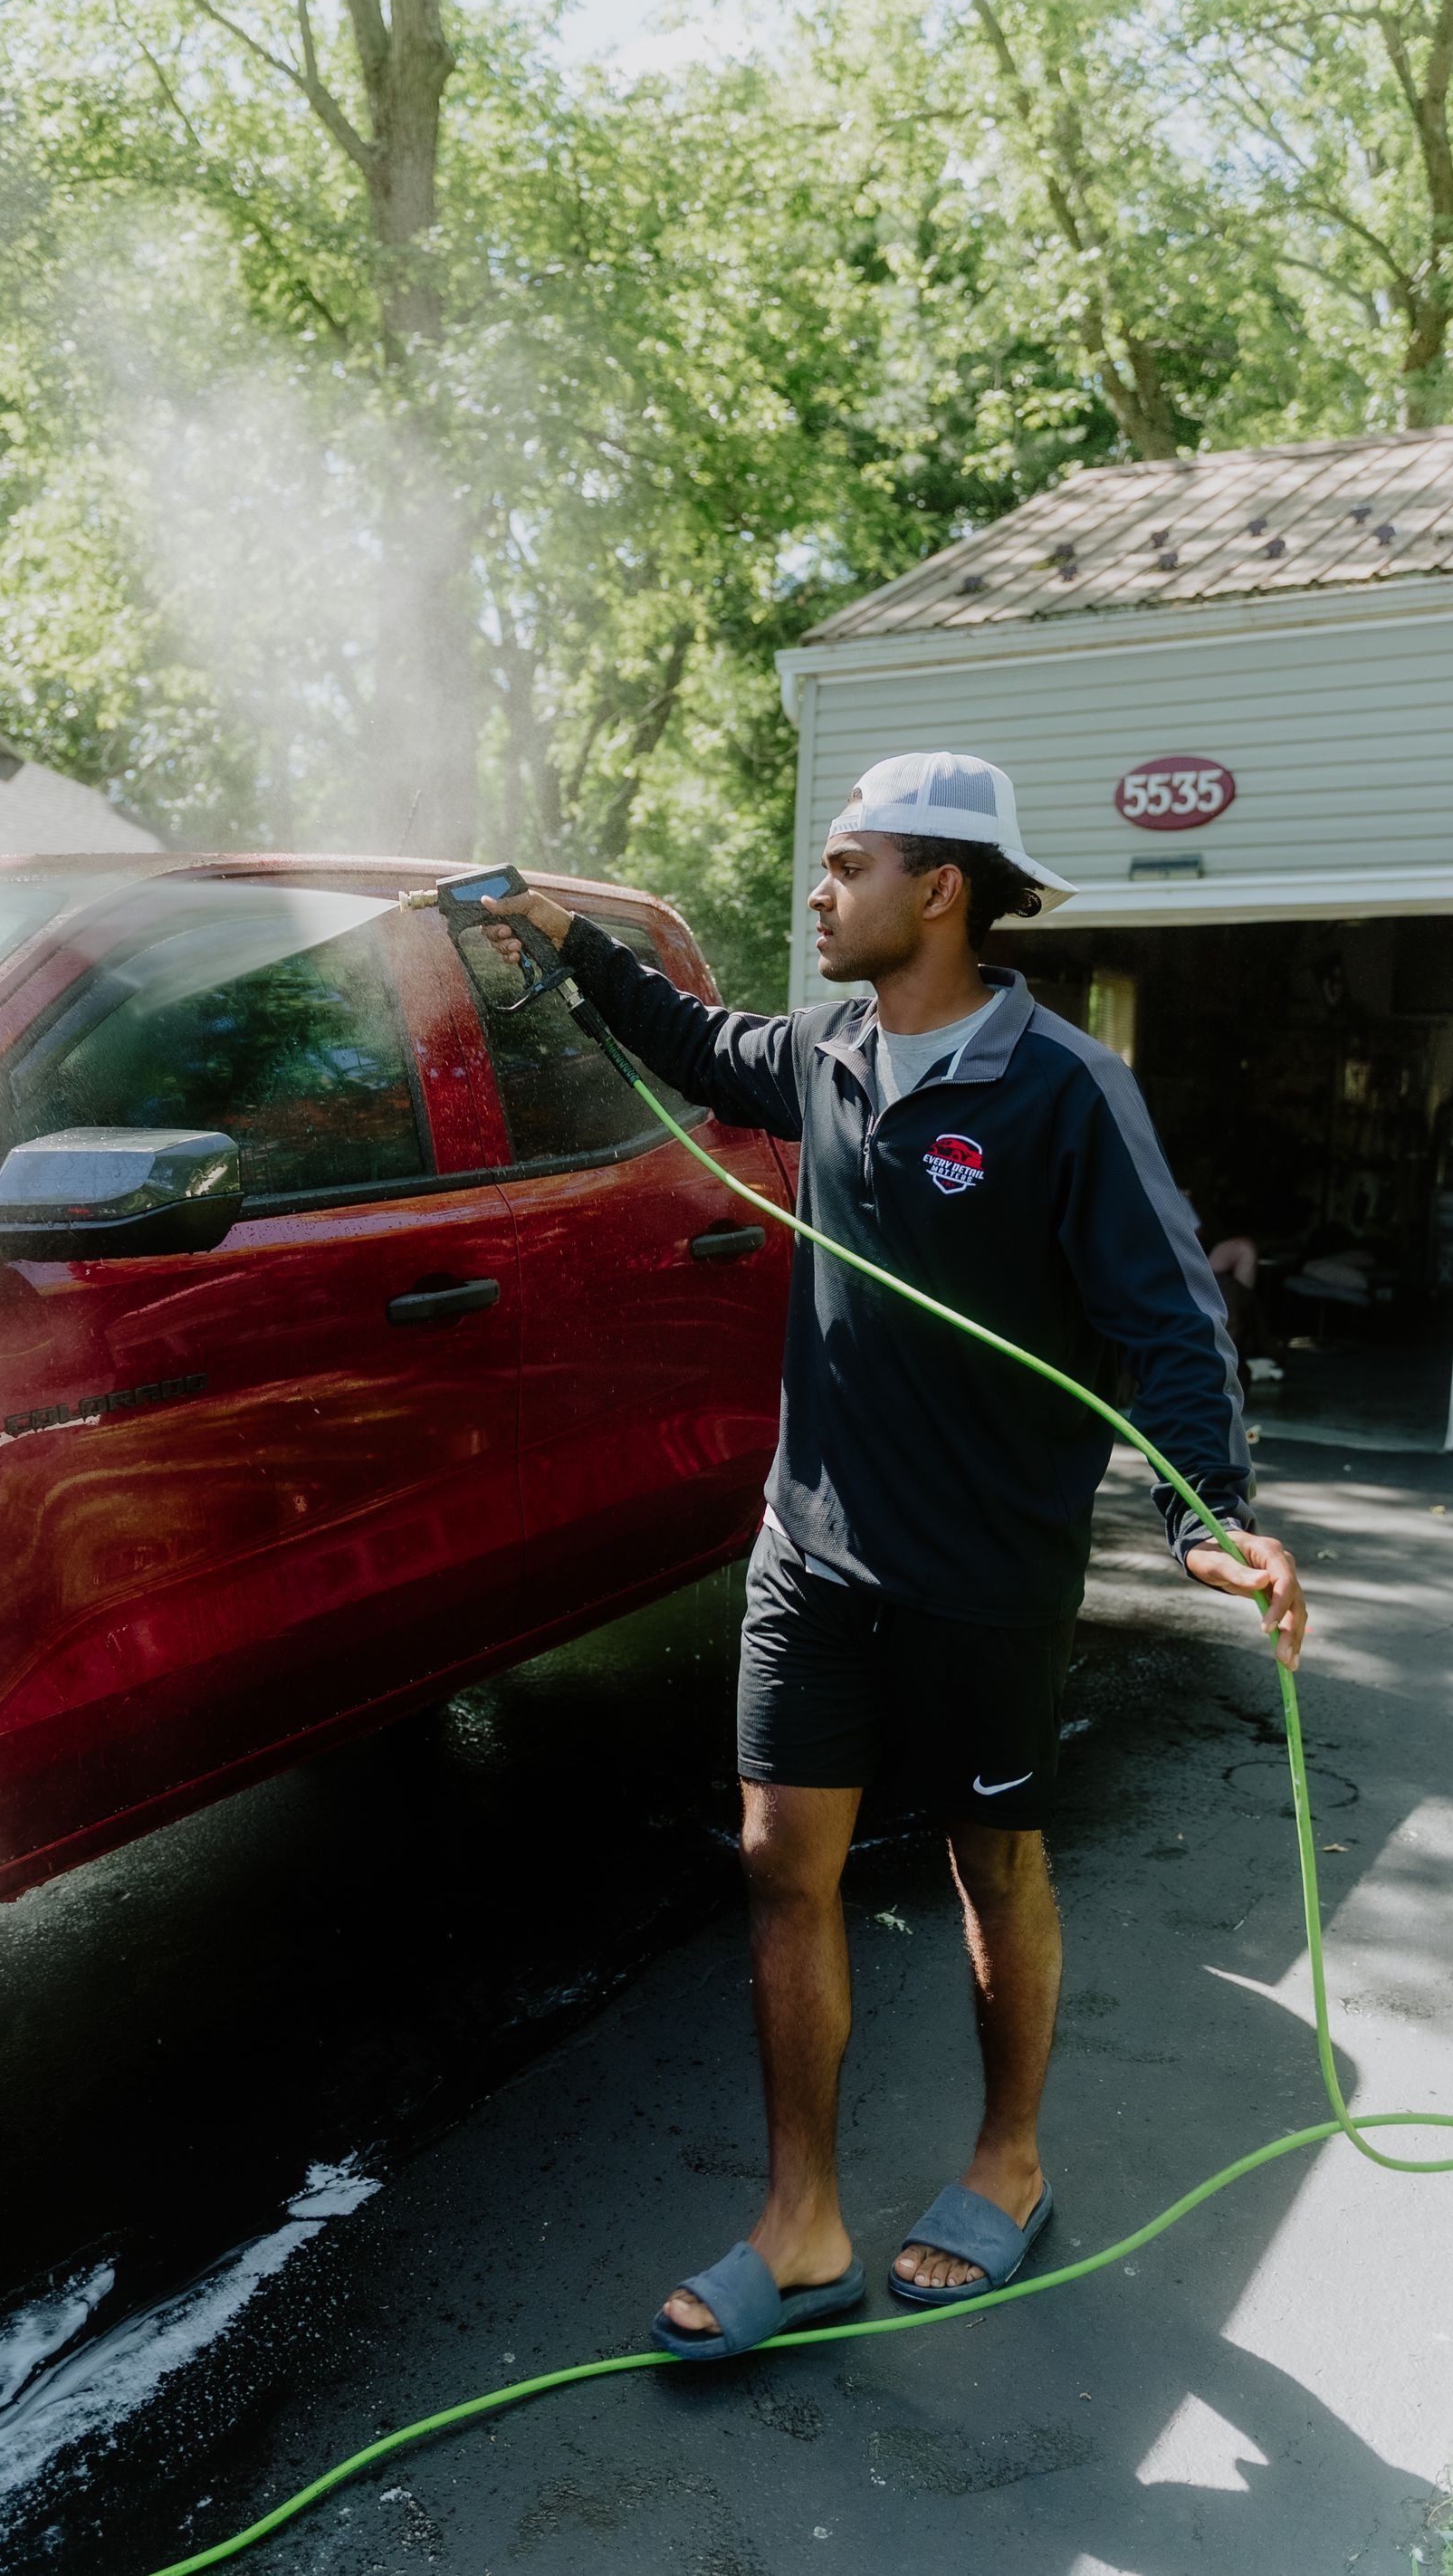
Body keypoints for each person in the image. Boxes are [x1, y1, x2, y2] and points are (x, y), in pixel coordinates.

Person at [484, 750, 1306, 2361]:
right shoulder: (828, 1054)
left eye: (848, 864)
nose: (819, 888)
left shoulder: (1064, 1089)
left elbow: (1168, 1315)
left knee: (989, 1860)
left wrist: (1207, 1510)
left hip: (986, 1573)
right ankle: (800, 2221)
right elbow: (692, 1041)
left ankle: (1007, 2163)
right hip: (813, 1551)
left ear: (940, 889)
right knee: (779, 1863)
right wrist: (559, 942)